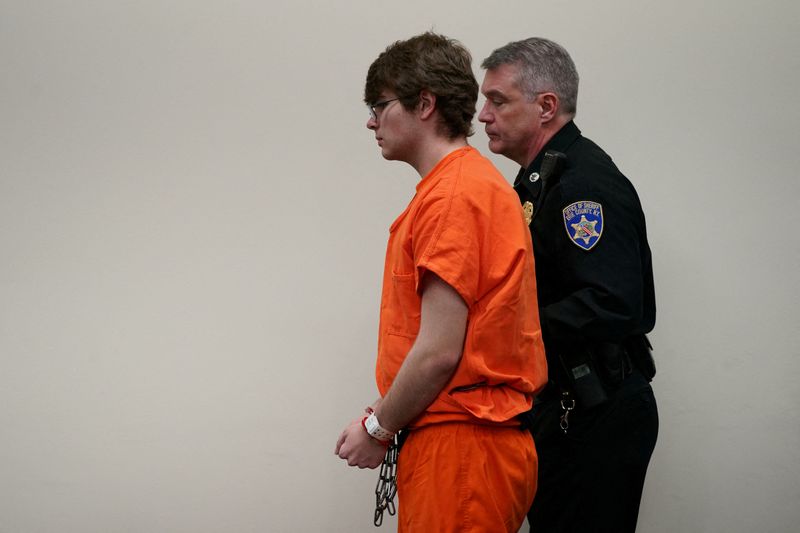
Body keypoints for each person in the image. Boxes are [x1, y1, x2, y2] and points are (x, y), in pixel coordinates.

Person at [334, 32, 548, 532]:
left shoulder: (453, 196)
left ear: (424, 103)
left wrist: (378, 426)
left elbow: (437, 352)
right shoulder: (461, 187)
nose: (370, 120)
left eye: (380, 104)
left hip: (463, 449)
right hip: (460, 443)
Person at [478, 38, 659, 533]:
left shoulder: (583, 186)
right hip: (565, 409)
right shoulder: (542, 179)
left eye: (497, 100)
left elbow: (613, 303)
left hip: (595, 414)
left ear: (546, 107)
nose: (482, 115)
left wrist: (504, 331)